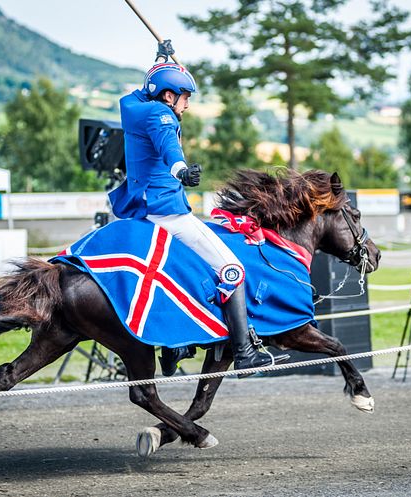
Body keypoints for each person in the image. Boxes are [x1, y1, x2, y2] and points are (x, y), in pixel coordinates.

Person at [109, 63, 288, 376]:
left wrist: (163, 60)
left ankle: (174, 346)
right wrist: (181, 169)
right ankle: (245, 353)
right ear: (168, 95)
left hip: (142, 210)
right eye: (184, 96)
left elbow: (143, 96)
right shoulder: (160, 114)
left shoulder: (133, 106)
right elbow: (168, 145)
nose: (187, 104)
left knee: (182, 272)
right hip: (168, 213)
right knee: (233, 270)